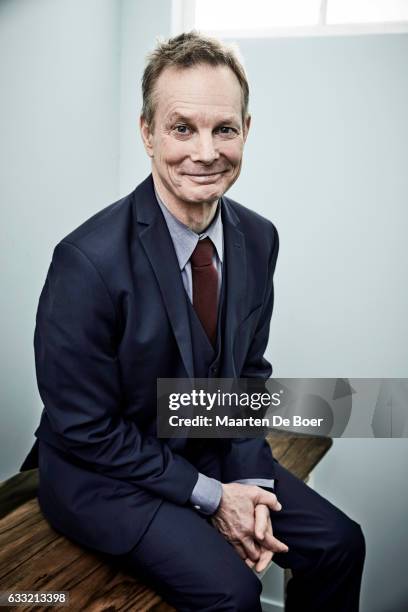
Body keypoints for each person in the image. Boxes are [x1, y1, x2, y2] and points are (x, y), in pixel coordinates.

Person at [21, 32, 365, 611]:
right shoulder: (85, 261)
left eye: (223, 129)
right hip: (103, 475)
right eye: (183, 127)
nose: (205, 152)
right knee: (234, 595)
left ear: (246, 131)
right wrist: (213, 497)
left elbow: (247, 377)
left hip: (203, 445)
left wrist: (250, 486)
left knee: (340, 544)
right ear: (147, 132)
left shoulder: (258, 238)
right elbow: (85, 429)